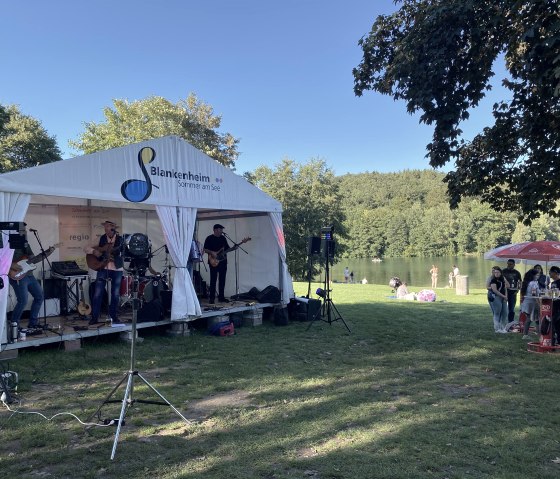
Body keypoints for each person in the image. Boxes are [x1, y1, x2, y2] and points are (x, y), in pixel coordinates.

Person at [8, 231, 53, 329]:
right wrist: (11, 265)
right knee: (23, 301)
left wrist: (47, 253)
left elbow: (33, 259)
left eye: (24, 230)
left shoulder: (25, 244)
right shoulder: (6, 242)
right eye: (21, 230)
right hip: (17, 275)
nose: (23, 232)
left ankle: (33, 323)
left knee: (39, 296)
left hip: (29, 275)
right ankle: (14, 324)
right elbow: (2, 258)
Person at [86, 221, 124, 325]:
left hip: (117, 269)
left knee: (115, 294)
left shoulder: (121, 240)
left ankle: (113, 316)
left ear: (113, 228)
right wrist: (94, 251)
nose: (106, 229)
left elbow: (123, 253)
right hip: (103, 267)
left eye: (108, 227)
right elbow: (86, 248)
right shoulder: (101, 238)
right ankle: (94, 317)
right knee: (98, 293)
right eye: (105, 227)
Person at [203, 224, 232, 304]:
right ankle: (211, 298)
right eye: (220, 229)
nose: (222, 231)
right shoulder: (209, 238)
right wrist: (212, 252)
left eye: (222, 229)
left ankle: (221, 297)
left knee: (222, 280)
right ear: (215, 230)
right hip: (213, 262)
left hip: (223, 261)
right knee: (213, 280)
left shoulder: (223, 238)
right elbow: (205, 249)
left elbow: (227, 249)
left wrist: (234, 247)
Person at [520, 269, 540, 338]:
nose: (538, 276)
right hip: (532, 303)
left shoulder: (526, 282)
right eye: (537, 275)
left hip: (526, 302)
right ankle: (538, 333)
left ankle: (526, 334)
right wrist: (538, 303)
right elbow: (534, 294)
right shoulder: (533, 283)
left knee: (529, 318)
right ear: (533, 275)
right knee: (535, 318)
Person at [489, 266, 509, 333]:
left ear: (501, 273)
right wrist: (503, 296)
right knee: (497, 313)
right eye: (495, 272)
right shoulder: (493, 280)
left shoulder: (503, 279)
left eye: (498, 272)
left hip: (503, 297)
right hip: (496, 297)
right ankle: (497, 328)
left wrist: (506, 297)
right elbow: (495, 290)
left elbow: (507, 287)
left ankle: (502, 327)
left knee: (505, 313)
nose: (496, 273)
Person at [502, 259, 522, 324]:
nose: (509, 265)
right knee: (503, 307)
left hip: (513, 292)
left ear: (514, 265)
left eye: (510, 264)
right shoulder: (503, 271)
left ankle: (510, 321)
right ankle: (502, 320)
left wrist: (518, 290)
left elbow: (520, 282)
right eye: (508, 264)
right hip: (504, 291)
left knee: (511, 308)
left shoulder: (517, 272)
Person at [548, 266, 560, 346]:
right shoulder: (552, 283)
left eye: (550, 272)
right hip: (554, 305)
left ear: (555, 272)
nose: (549, 274)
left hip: (559, 305)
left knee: (558, 322)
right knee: (554, 323)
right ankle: (554, 340)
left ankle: (559, 341)